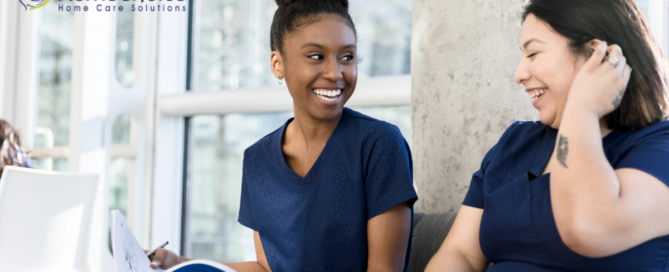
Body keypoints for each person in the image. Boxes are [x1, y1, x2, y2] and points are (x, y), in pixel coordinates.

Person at [149, 0, 418, 271]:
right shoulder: (257, 160)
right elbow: (266, 268)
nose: (335, 73)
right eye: (316, 56)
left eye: (347, 57)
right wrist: (179, 263)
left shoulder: (379, 144)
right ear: (278, 64)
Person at [426, 0, 669, 271]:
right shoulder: (515, 142)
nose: (519, 75)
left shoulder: (660, 147)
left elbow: (587, 227)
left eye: (533, 54)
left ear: (596, 55)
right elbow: (460, 253)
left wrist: (582, 108)